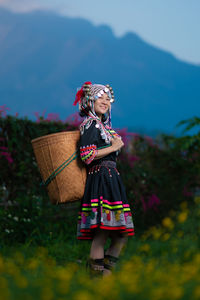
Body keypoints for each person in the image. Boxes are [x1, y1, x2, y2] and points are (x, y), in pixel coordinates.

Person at [73, 81, 135, 277]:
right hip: (100, 180)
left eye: (108, 98)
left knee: (121, 236)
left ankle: (102, 275)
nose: (105, 101)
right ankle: (97, 280)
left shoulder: (103, 126)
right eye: (101, 96)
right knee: (101, 233)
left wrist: (113, 145)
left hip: (110, 180)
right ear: (90, 100)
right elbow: (87, 155)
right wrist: (114, 147)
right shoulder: (90, 124)